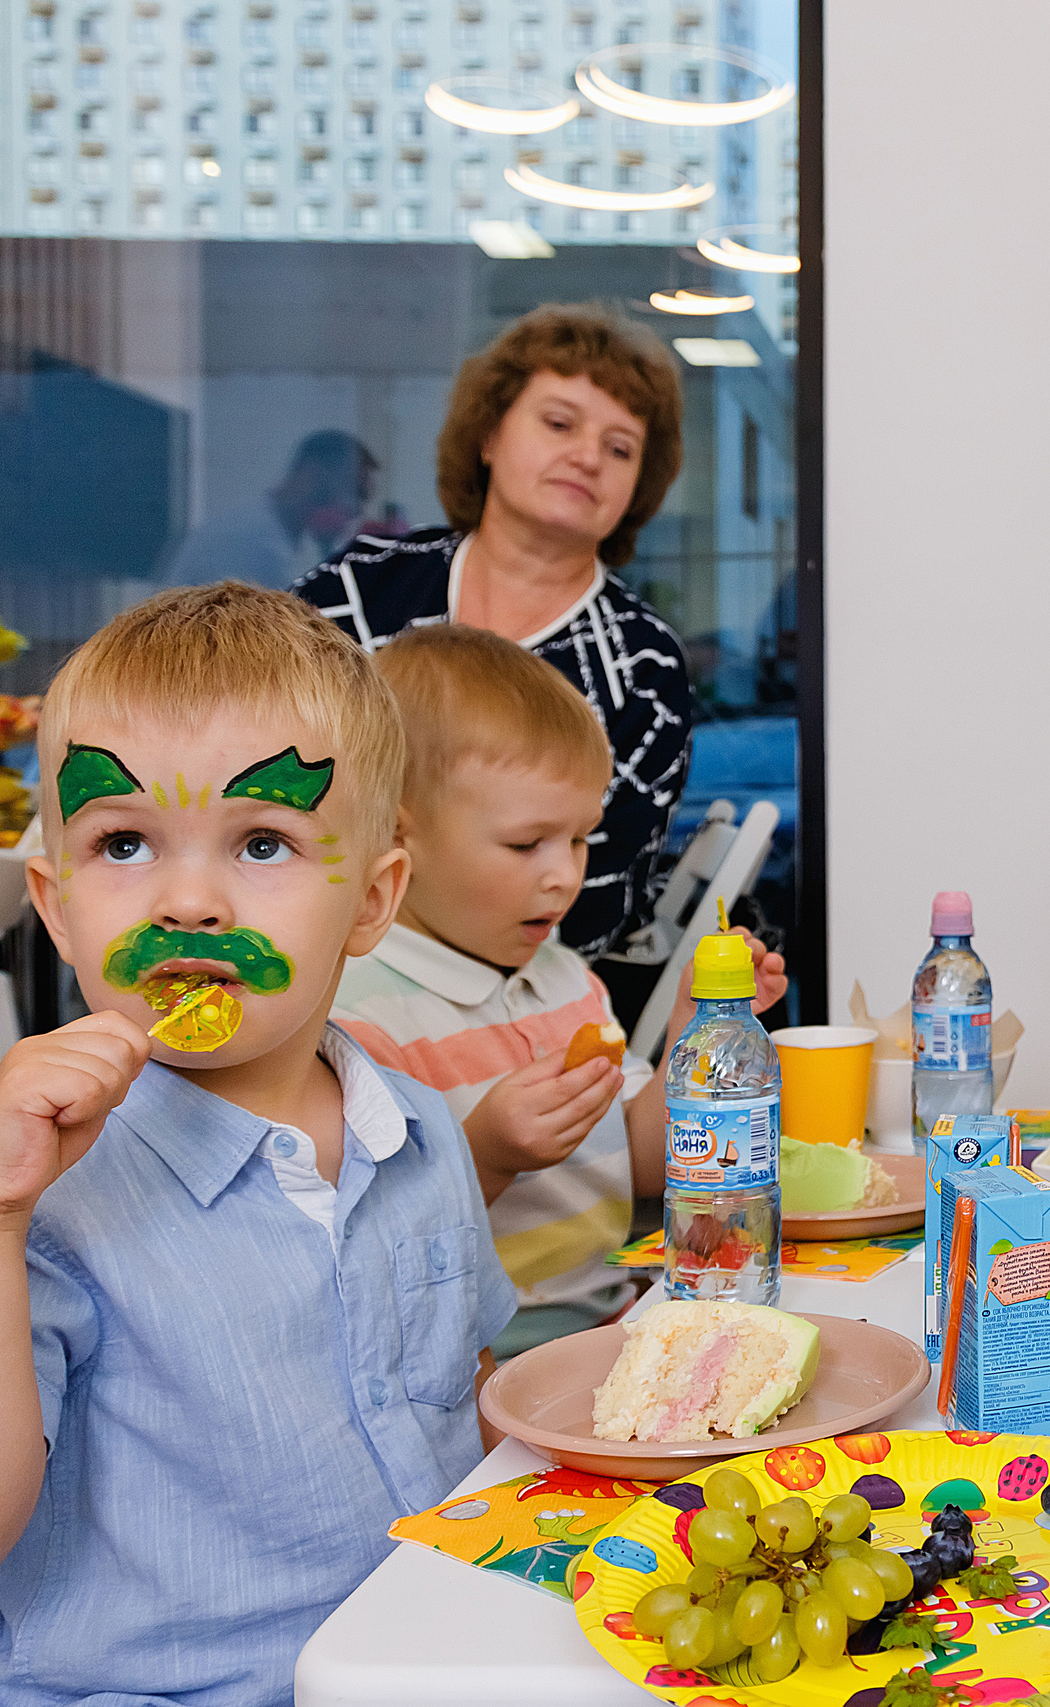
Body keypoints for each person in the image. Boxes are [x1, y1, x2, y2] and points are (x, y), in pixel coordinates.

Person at [0, 584, 513, 1705]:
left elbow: (463, 1393)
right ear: (55, 908)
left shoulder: (422, 1129)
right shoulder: (42, 1196)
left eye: (262, 840)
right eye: (123, 842)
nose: (190, 899)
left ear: (371, 902)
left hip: (412, 1659)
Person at [330, 626, 784, 1355]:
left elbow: (646, 1161)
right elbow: (373, 1250)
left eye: (579, 840)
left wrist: (696, 1035)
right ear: (396, 836)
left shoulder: (563, 976)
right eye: (525, 844)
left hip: (621, 1323)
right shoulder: (357, 1016)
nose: (564, 875)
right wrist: (487, 1153)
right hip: (482, 1361)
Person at [295, 303, 694, 962]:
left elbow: (594, 905)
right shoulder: (362, 588)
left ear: (637, 487)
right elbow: (250, 741)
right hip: (310, 948)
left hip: (513, 993)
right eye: (559, 423)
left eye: (619, 448)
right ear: (488, 435)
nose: (587, 457)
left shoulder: (643, 669)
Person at [161, 429, 382, 591]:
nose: (356, 511)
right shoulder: (246, 540)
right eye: (354, 492)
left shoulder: (281, 540)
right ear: (311, 476)